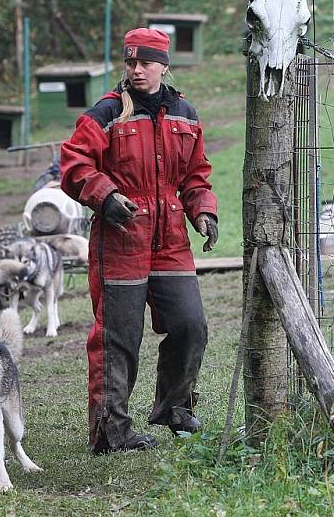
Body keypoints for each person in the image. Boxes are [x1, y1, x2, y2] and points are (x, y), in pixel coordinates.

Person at [59, 27, 218, 454]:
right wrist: (104, 195)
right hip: (121, 239)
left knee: (190, 325)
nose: (137, 70)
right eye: (130, 62)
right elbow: (74, 164)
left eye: (145, 62)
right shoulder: (107, 112)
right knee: (118, 339)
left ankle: (174, 408)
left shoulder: (185, 113)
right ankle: (111, 432)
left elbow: (195, 174)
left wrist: (202, 209)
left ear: (164, 67)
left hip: (170, 238)